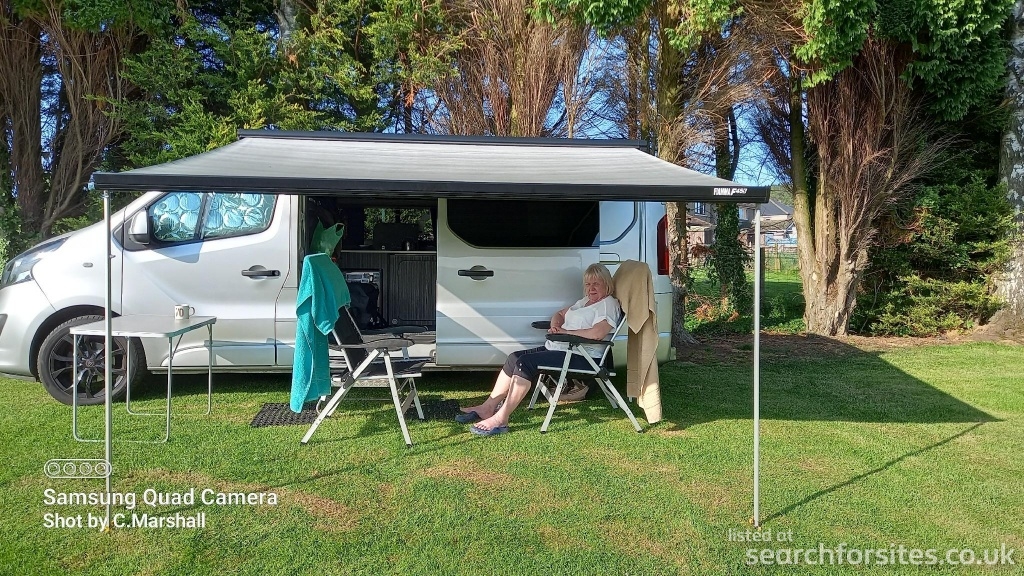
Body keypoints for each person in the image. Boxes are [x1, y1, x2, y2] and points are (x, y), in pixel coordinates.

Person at [458, 263, 621, 436]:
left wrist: (565, 332)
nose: (591, 288)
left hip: (582, 357)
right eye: (588, 284)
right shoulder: (584, 302)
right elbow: (560, 314)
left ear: (606, 284)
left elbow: (597, 334)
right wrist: (555, 326)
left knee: (525, 364)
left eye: (596, 284)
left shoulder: (608, 304)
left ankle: (501, 418)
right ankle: (487, 407)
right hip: (561, 349)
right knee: (514, 358)